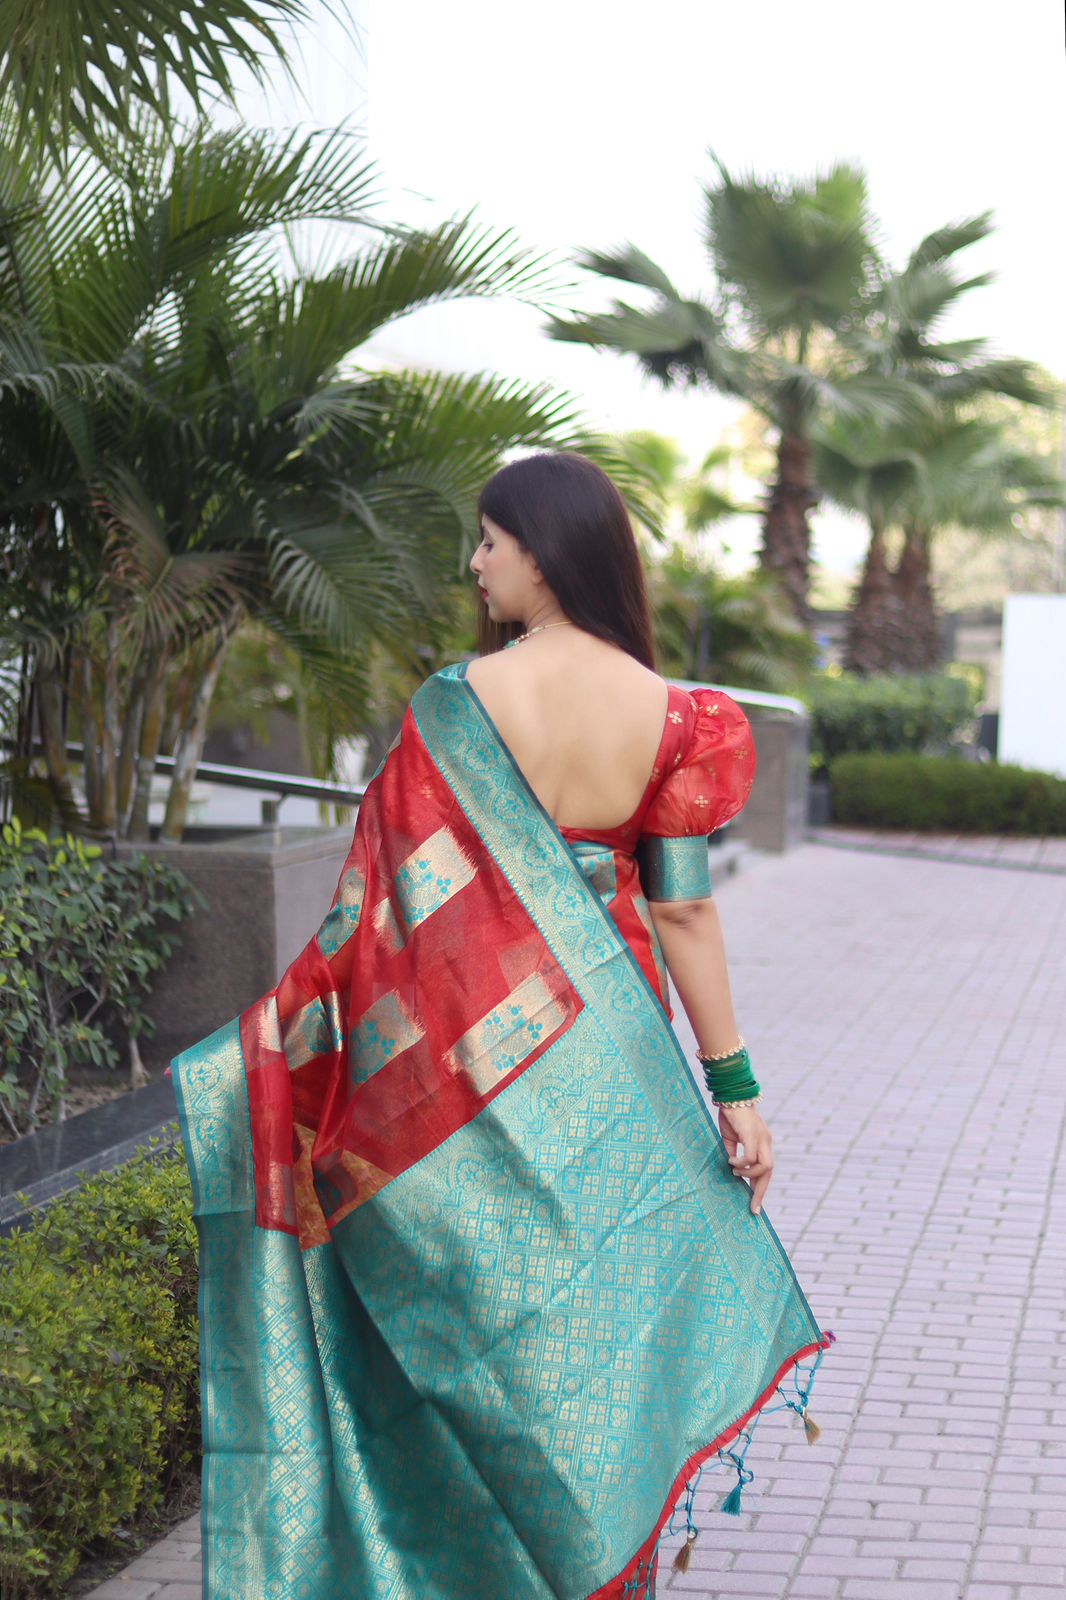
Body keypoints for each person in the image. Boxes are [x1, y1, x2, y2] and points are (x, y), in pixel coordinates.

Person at [168, 449, 831, 1600]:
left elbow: (376, 918)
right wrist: (735, 1088)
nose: (475, 566)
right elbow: (679, 905)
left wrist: (267, 1053)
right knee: (591, 1335)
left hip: (463, 1078)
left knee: (476, 1332)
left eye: (488, 541)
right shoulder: (678, 718)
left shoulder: (456, 706)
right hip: (612, 1063)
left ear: (544, 549)